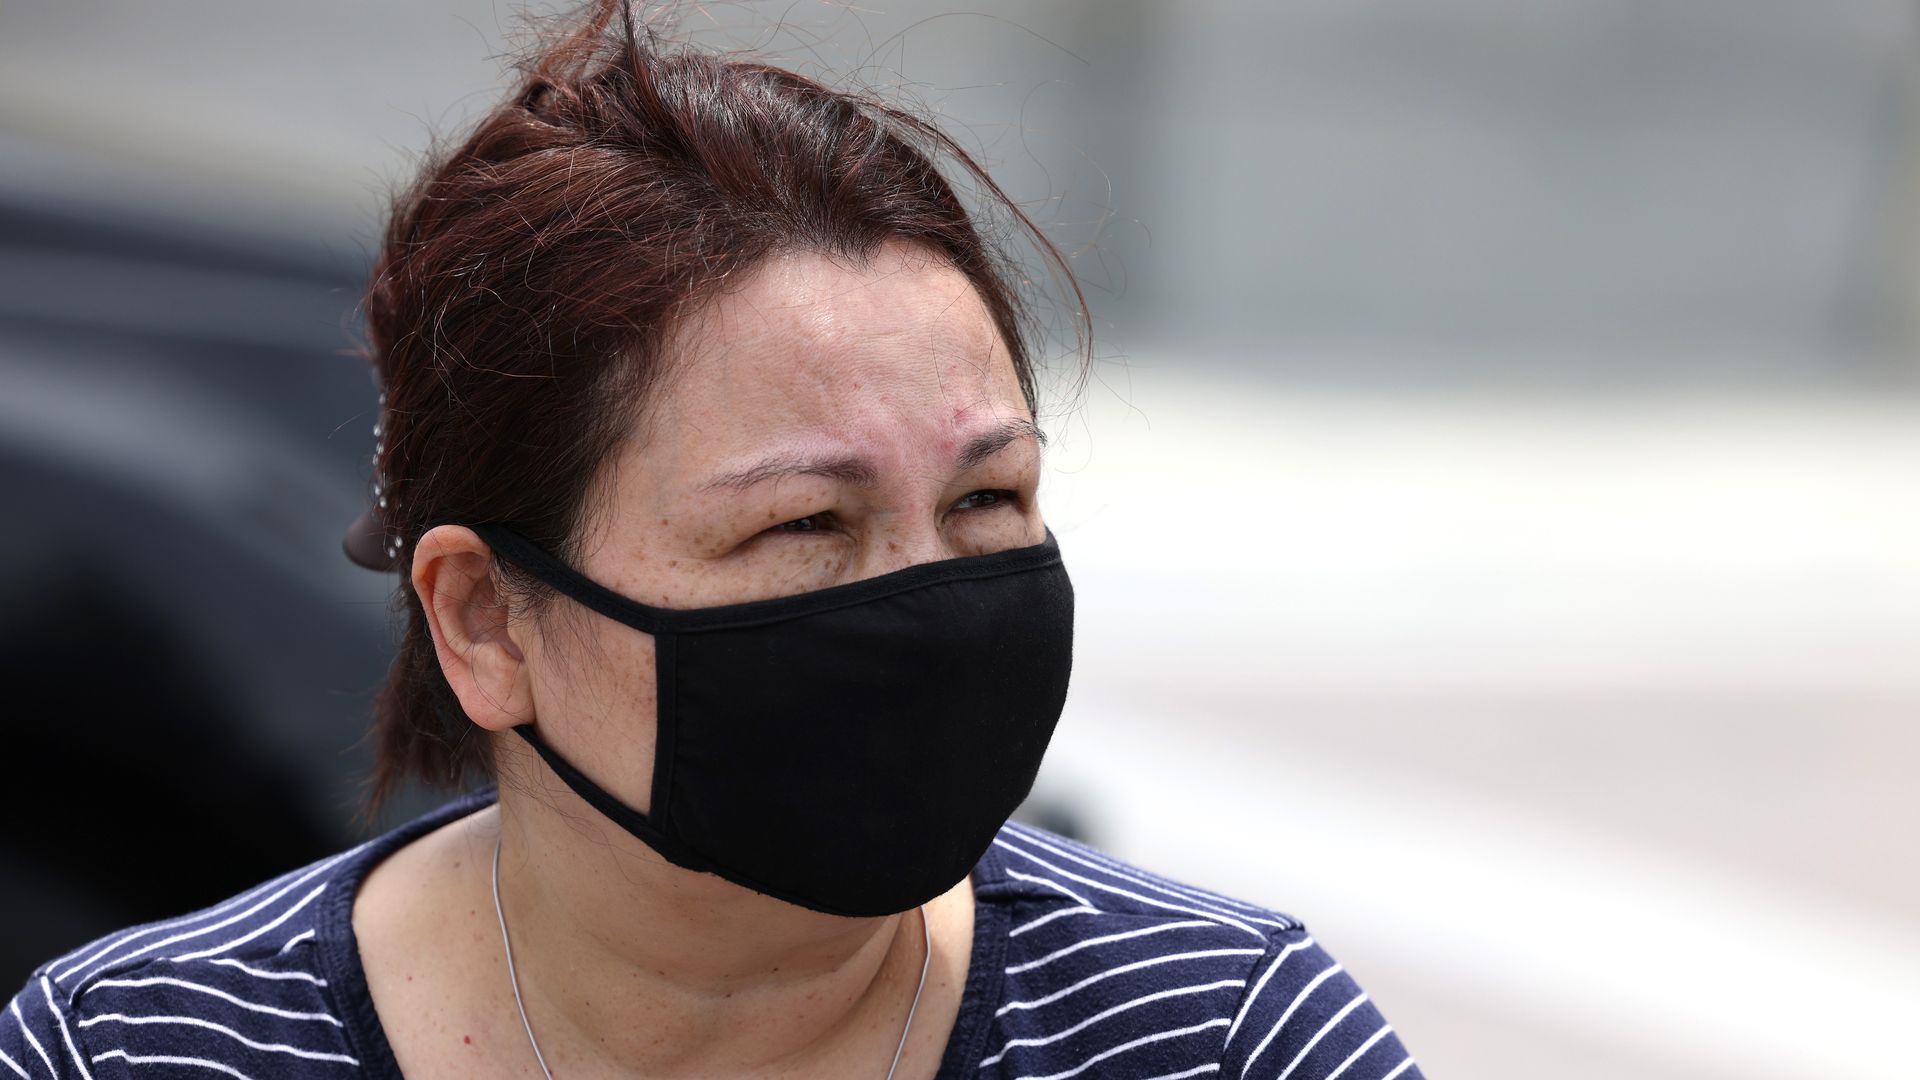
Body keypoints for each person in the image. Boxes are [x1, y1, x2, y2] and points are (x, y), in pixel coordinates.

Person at [3, 4, 1425, 1077]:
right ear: (486, 621)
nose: (932, 598)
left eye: (988, 501)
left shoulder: (1222, 1034)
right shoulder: (143, 1048)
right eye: (805, 524)